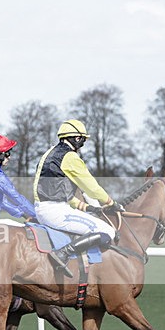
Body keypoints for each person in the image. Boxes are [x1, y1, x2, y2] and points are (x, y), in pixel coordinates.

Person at [33, 119, 123, 277]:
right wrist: (111, 203)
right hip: (55, 211)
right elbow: (92, 187)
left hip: (45, 207)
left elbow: (63, 194)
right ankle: (63, 253)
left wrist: (88, 207)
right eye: (83, 140)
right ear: (77, 138)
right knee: (107, 231)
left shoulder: (49, 153)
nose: (83, 144)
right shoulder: (70, 157)